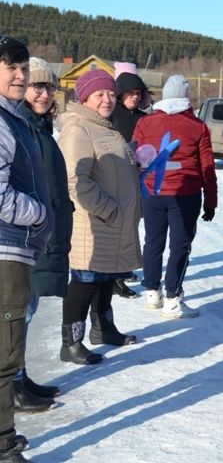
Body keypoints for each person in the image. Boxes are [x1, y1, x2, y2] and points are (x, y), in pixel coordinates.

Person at [58, 68, 142, 364]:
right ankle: (71, 343)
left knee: (107, 276)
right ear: (84, 98)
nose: (106, 99)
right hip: (92, 222)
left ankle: (103, 328)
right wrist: (109, 209)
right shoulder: (79, 128)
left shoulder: (106, 127)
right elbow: (75, 180)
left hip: (113, 222)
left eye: (109, 93)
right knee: (85, 280)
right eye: (99, 94)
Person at [0, 35, 54, 463]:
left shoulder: (13, 117)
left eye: (22, 67)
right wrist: (38, 212)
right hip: (5, 250)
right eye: (11, 68)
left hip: (15, 249)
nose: (20, 75)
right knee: (4, 354)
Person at [132, 75, 217, 318]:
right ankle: (172, 298)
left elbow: (136, 155)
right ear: (186, 96)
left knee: (153, 240)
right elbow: (207, 168)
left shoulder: (145, 123)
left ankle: (152, 292)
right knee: (180, 245)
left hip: (152, 191)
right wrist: (211, 201)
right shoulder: (197, 126)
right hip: (185, 193)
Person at [15, 57, 68, 412]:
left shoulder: (40, 127)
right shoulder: (20, 126)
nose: (45, 93)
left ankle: (19, 376)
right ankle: (11, 384)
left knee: (26, 311)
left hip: (38, 234)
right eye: (38, 86)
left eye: (50, 86)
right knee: (18, 313)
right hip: (21, 234)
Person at [110, 62, 152, 299]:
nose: (135, 97)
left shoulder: (143, 118)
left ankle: (124, 268)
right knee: (120, 229)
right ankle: (115, 278)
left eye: (138, 93)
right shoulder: (112, 116)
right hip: (115, 179)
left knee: (132, 227)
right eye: (130, 93)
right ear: (120, 93)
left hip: (139, 179)